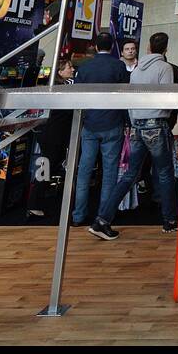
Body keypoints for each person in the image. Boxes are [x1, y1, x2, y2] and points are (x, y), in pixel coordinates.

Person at [95, 32, 178, 237]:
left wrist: (133, 123)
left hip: (137, 127)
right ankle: (169, 220)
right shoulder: (165, 68)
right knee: (165, 174)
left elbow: (130, 100)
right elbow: (166, 98)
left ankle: (102, 219)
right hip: (156, 125)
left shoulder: (136, 70)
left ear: (149, 47)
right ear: (166, 49)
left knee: (130, 175)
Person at [73, 32, 129, 238]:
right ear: (113, 46)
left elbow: (77, 96)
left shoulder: (85, 67)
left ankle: (78, 215)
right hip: (112, 124)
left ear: (96, 47)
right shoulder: (118, 66)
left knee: (84, 171)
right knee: (109, 174)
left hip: (89, 124)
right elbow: (125, 96)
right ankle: (103, 218)